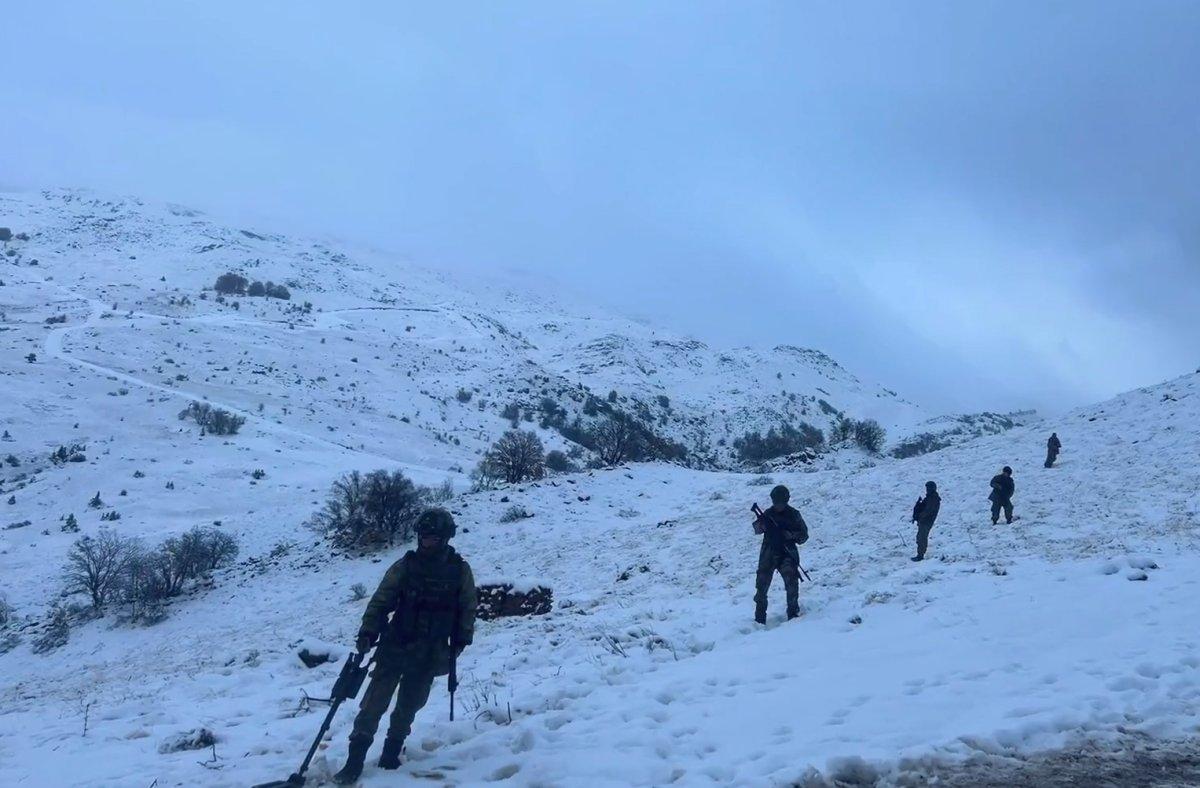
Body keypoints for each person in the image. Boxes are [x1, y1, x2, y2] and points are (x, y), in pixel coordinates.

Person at [333, 508, 477, 784]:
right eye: (424, 537)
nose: (427, 542)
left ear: (445, 538)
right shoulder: (406, 566)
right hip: (395, 645)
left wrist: (461, 639)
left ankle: (390, 753)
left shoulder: (459, 570)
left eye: (433, 538)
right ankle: (354, 761)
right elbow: (381, 600)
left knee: (410, 705)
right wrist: (368, 631)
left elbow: (467, 606)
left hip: (430, 650)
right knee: (373, 704)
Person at [752, 485, 809, 624]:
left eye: (781, 502)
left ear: (786, 500)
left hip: (786, 553)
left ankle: (793, 614)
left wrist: (791, 535)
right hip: (769, 553)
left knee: (792, 583)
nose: (778, 506)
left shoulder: (794, 514)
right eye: (775, 502)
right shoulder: (768, 514)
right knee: (761, 586)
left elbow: (804, 536)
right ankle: (759, 619)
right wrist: (762, 526)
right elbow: (757, 529)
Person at [911, 481, 940, 561]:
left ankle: (920, 555)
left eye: (929, 488)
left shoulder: (933, 499)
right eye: (927, 488)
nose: (927, 489)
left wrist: (920, 516)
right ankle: (920, 554)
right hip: (924, 521)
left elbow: (928, 510)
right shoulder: (929, 498)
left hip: (926, 521)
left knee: (922, 538)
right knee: (920, 537)